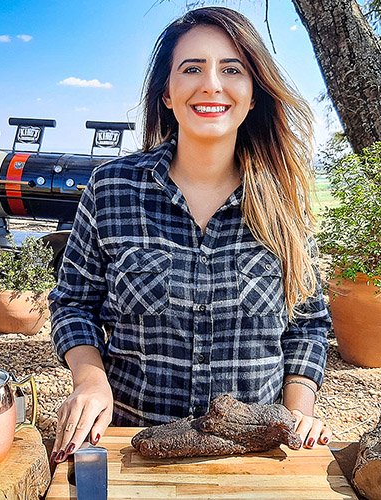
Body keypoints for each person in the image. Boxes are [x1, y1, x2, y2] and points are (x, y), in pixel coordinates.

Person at [48, 6, 331, 465]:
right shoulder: (112, 189)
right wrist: (89, 379)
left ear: (253, 93)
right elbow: (73, 303)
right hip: (133, 450)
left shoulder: (287, 203)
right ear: (167, 93)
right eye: (192, 68)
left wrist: (298, 413)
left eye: (232, 69)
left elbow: (308, 325)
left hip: (253, 459)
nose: (211, 84)